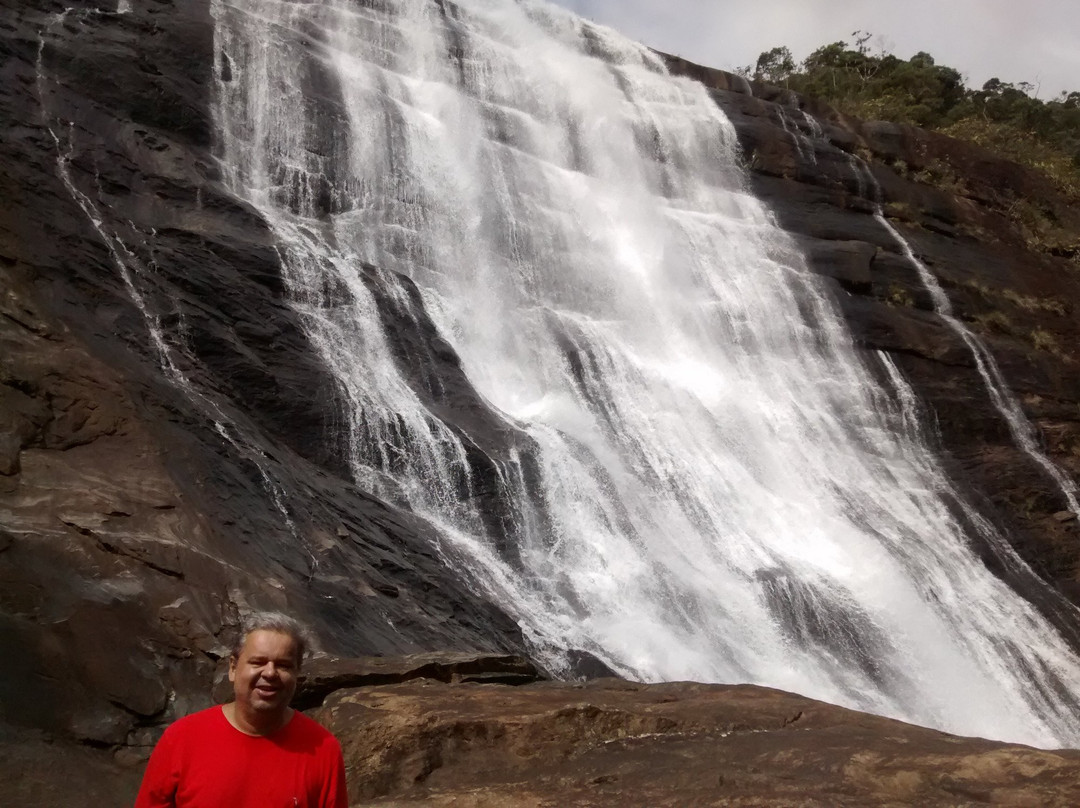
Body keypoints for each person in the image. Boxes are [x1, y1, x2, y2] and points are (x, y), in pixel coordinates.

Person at [134, 611, 348, 807]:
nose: (270, 673)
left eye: (283, 665)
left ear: (297, 673)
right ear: (233, 668)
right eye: (258, 662)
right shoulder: (181, 739)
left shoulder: (324, 750)